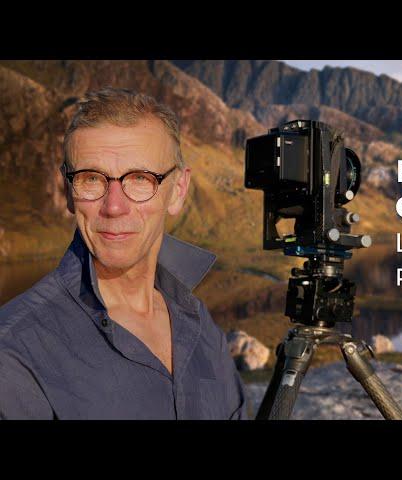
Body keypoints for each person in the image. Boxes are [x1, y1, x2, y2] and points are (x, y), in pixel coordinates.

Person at [0, 87, 247, 419]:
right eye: (91, 179)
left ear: (178, 192)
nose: (114, 207)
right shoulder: (15, 351)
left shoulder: (201, 325)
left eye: (140, 179)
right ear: (68, 192)